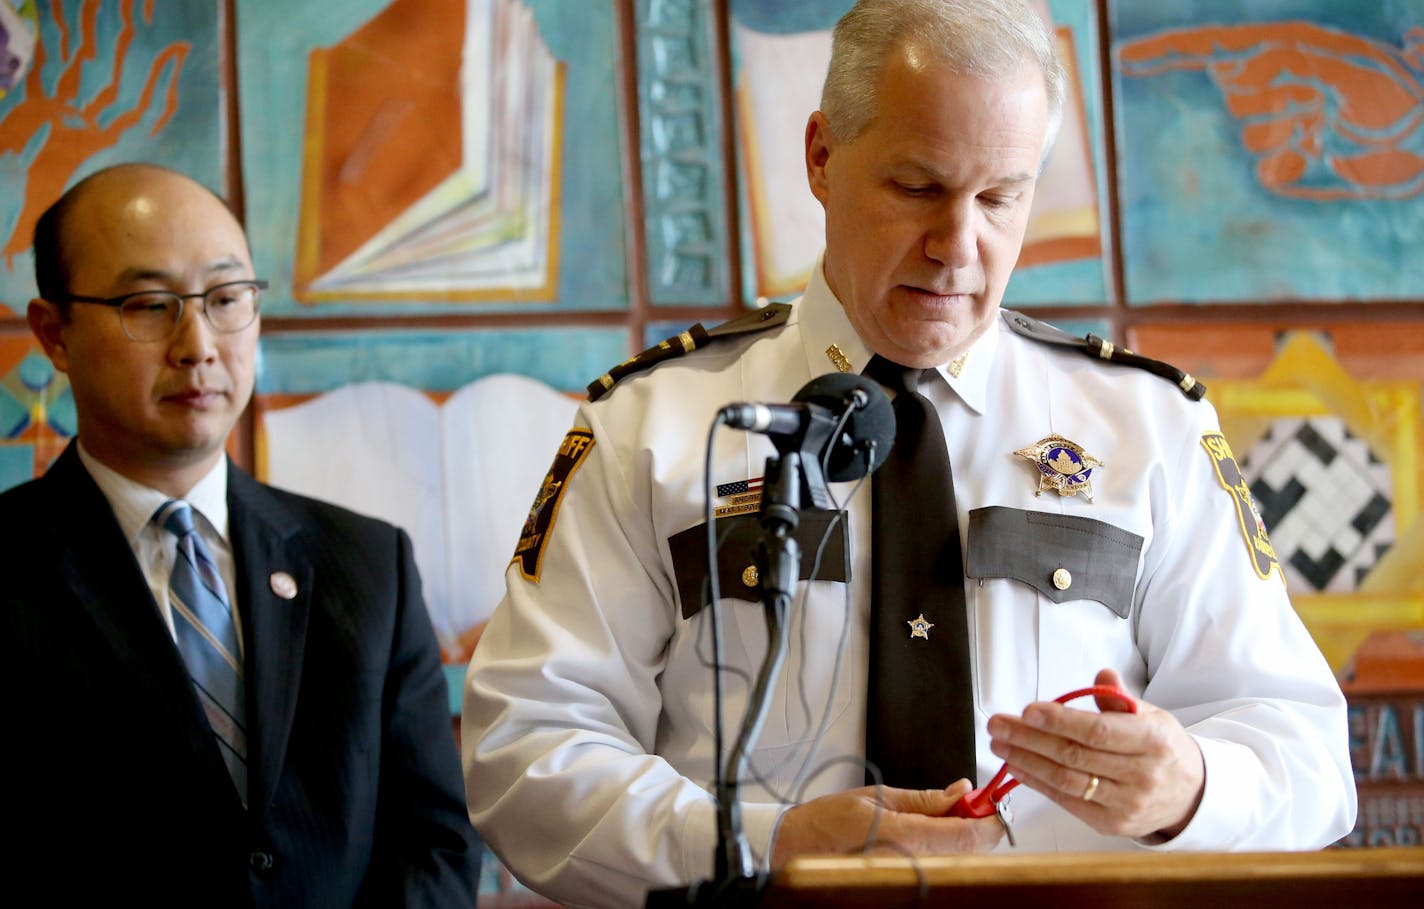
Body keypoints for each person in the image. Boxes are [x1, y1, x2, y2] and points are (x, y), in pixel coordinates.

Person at [462, 1, 1356, 905]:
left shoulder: (1147, 427)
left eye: (1001, 197)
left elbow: (1308, 755)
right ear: (821, 156)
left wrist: (1190, 788)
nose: (957, 247)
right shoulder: (657, 426)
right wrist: (767, 849)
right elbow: (524, 747)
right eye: (919, 187)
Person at [3, 163, 483, 906]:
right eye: (149, 304)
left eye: (225, 299)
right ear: (54, 333)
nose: (197, 344)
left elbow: (435, 845)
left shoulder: (368, 564)